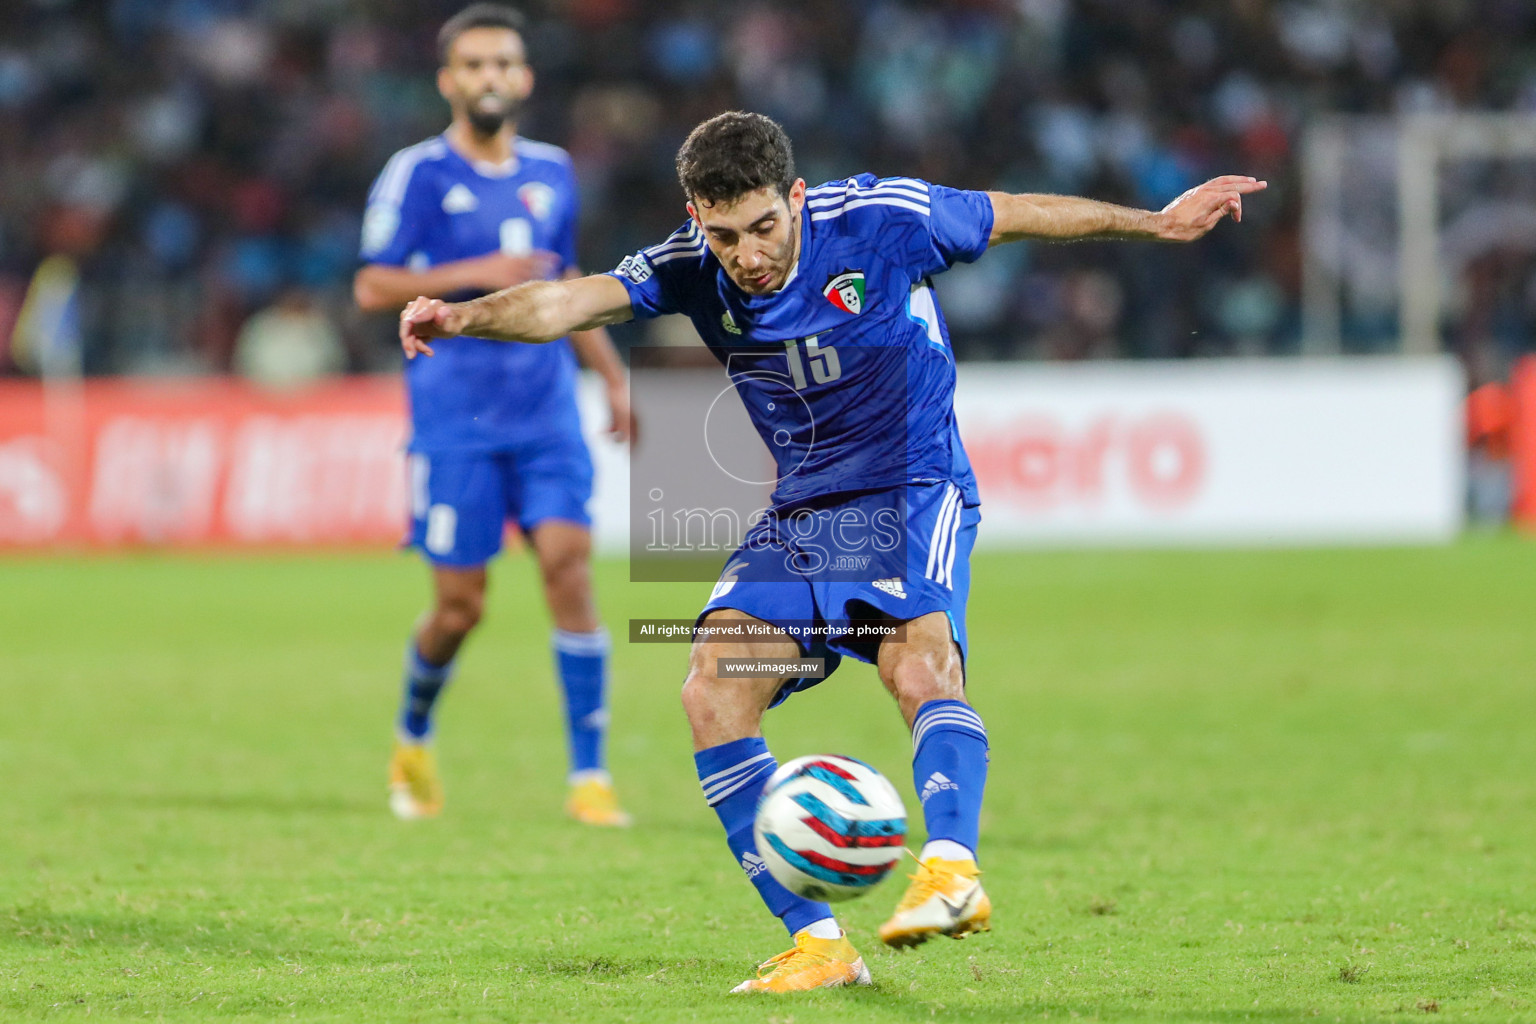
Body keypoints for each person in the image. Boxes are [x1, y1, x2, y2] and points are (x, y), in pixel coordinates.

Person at [398, 111, 1264, 992]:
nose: (746, 254)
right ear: (698, 215)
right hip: (804, 512)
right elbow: (566, 301)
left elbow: (1013, 211)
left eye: (764, 228)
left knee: (918, 669)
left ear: (797, 198)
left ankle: (952, 873)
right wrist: (464, 318)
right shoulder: (689, 265)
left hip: (912, 484)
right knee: (713, 688)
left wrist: (1156, 222)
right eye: (723, 233)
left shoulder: (882, 218)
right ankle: (820, 945)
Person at [354, 4, 633, 827]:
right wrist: (483, 271)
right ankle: (413, 734)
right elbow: (372, 286)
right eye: (472, 65)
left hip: (546, 410)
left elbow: (566, 281)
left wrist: (611, 377)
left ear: (524, 78)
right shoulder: (417, 174)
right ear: (448, 81)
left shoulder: (554, 171)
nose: (489, 77)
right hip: (454, 420)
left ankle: (590, 777)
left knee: (569, 567)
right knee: (460, 607)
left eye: (502, 64)